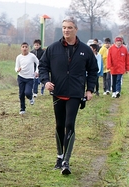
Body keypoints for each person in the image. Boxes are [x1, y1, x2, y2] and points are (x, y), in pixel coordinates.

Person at [39, 17, 98, 175]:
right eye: (64, 27)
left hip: (75, 94)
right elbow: (43, 66)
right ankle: (59, 157)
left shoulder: (85, 50)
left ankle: (66, 161)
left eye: (70, 27)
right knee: (59, 125)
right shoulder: (53, 49)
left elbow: (93, 70)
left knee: (69, 124)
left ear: (76, 29)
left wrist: (89, 90)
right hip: (58, 92)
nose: (66, 30)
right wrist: (45, 81)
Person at [15, 42, 39, 115]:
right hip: (21, 77)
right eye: (23, 47)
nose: (24, 48)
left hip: (30, 77)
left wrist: (37, 71)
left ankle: (30, 97)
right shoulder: (19, 57)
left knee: (27, 92)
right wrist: (17, 70)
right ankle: (22, 109)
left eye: (26, 47)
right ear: (21, 48)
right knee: (21, 94)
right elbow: (16, 67)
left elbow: (38, 63)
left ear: (28, 48)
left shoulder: (32, 56)